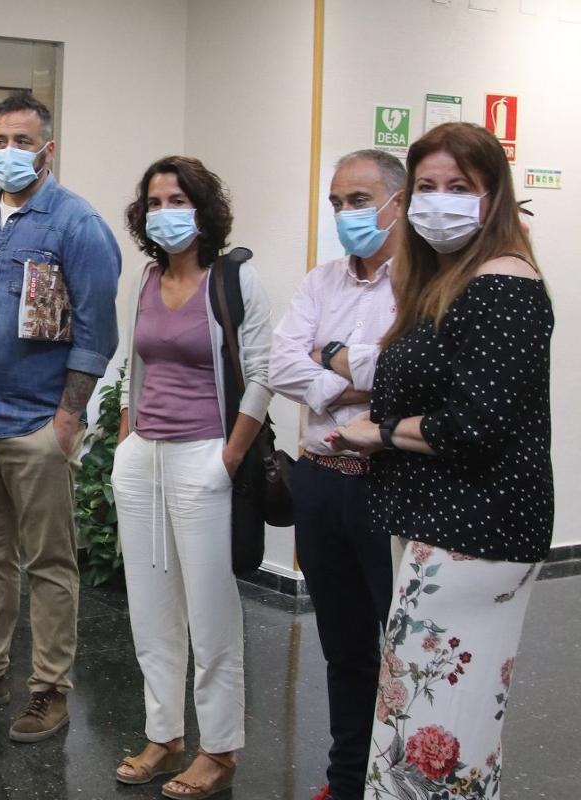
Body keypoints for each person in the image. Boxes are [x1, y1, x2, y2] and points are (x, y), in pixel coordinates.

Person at [327, 122, 552, 800]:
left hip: (474, 532)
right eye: (426, 186)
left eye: (459, 186)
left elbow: (475, 425)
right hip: (443, 525)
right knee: (441, 717)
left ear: (493, 197)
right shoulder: (449, 282)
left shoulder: (502, 284)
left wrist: (380, 433)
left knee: (428, 720)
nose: (438, 201)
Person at [0, 91, 120, 742]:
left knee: (49, 564)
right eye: (0, 141)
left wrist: (67, 418)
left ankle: (49, 691)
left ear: (47, 150)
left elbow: (96, 332)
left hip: (36, 422)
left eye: (22, 142)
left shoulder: (77, 225)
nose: (8, 152)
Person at [109, 156, 271, 797]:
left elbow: (261, 373)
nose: (165, 213)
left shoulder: (235, 280)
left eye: (177, 201)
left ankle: (220, 749)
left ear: (204, 210)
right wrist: (127, 438)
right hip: (143, 458)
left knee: (211, 613)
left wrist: (229, 456)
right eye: (154, 203)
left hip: (205, 455)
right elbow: (134, 363)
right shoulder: (146, 279)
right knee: (151, 610)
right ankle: (164, 734)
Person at [268, 149, 404, 800]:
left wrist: (329, 361)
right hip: (320, 480)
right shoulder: (320, 283)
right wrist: (351, 380)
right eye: (337, 203)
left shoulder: (423, 285)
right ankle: (346, 780)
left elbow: (408, 379)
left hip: (391, 483)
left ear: (399, 203)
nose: (346, 214)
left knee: (404, 646)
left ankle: (397, 783)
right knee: (345, 646)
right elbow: (280, 364)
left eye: (359, 200)